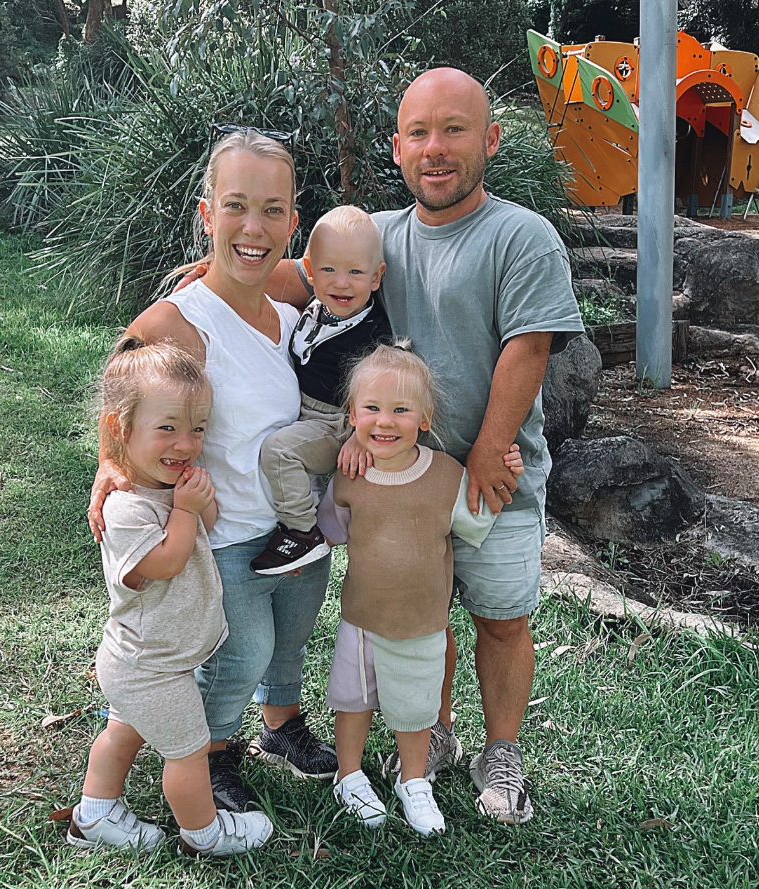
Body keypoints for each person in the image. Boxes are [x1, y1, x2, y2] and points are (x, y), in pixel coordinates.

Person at [264, 68, 585, 823]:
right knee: (422, 613)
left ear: (491, 140)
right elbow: (302, 277)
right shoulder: (376, 238)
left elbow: (529, 347)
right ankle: (434, 731)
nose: (435, 148)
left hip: (491, 476)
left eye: (454, 130)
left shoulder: (521, 236)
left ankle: (500, 749)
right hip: (396, 482)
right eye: (419, 133)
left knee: (500, 618)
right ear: (397, 147)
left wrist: (488, 449)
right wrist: (209, 284)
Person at [88, 130, 339, 815]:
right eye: (236, 207)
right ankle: (212, 750)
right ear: (207, 214)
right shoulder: (182, 320)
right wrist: (110, 461)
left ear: (293, 222)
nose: (253, 227)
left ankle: (282, 725)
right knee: (241, 651)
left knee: (291, 637)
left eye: (272, 210)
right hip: (225, 535)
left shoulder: (293, 304)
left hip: (296, 529)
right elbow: (122, 385)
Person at [70, 336, 273, 857]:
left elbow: (207, 524)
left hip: (153, 657)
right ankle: (203, 835)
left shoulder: (166, 490)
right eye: (167, 428)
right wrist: (184, 511)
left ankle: (95, 815)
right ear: (119, 428)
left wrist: (197, 503)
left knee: (123, 733)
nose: (185, 443)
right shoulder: (125, 508)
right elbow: (164, 563)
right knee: (190, 752)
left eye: (197, 429)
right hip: (150, 665)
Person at [317, 343, 523, 836]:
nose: (385, 421)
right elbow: (331, 528)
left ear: (425, 419)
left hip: (421, 623)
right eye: (371, 408)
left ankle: (413, 782)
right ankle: (349, 776)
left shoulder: (446, 476)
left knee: (415, 710)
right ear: (352, 414)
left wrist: (508, 478)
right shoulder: (349, 476)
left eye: (401, 410)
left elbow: (475, 522)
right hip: (361, 618)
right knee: (352, 700)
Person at [248, 205, 391, 577]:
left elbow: (384, 390)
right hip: (307, 412)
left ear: (376, 277)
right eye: (329, 270)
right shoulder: (315, 309)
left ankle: (301, 531)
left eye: (355, 272)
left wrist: (361, 434)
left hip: (336, 422)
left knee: (279, 451)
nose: (341, 283)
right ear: (309, 272)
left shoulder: (373, 333)